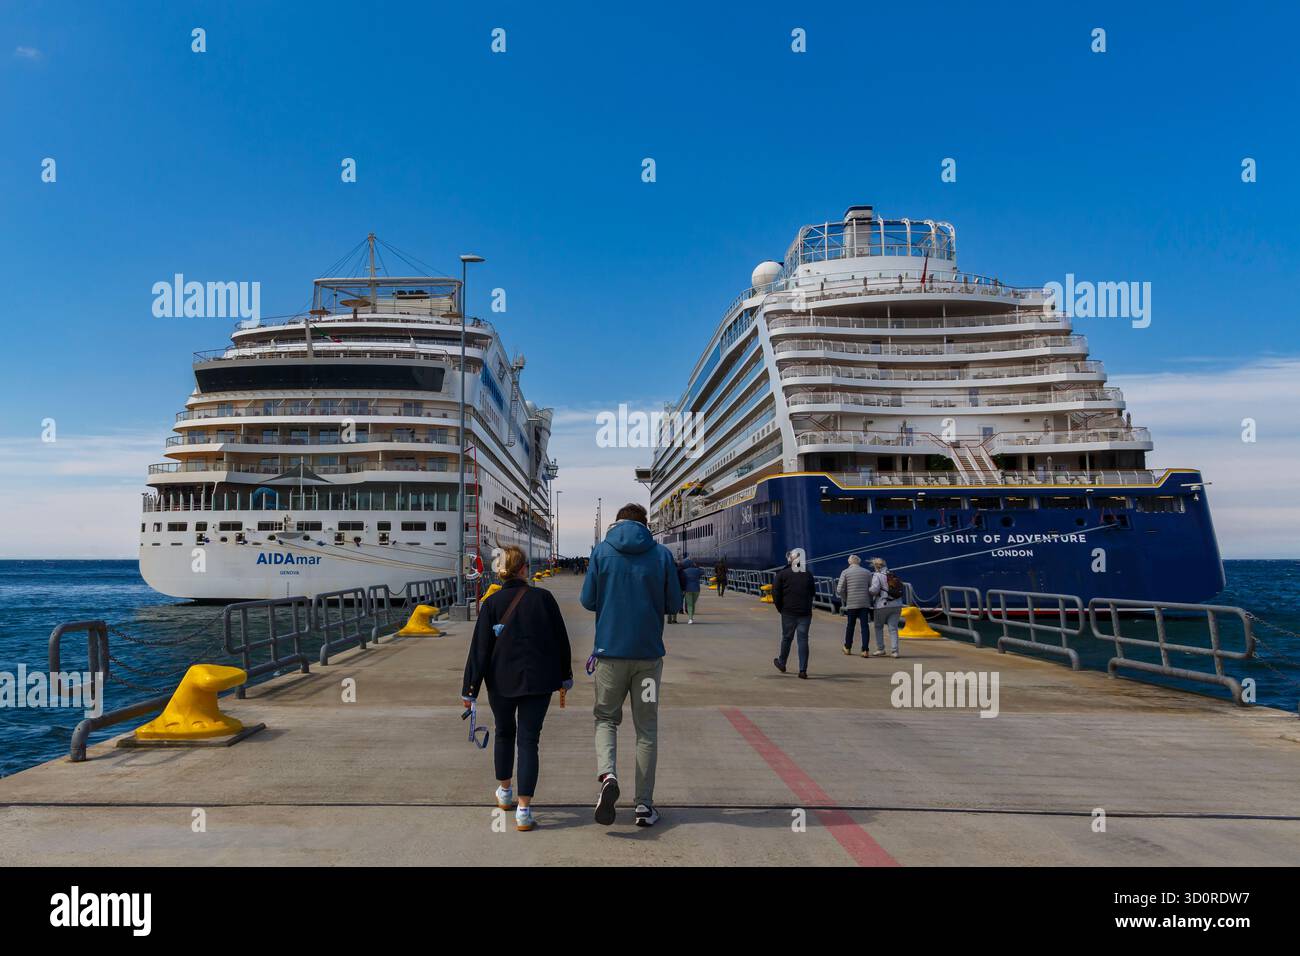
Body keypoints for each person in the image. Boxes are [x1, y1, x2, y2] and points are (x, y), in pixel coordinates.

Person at [580, 502, 681, 828]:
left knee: (606, 719)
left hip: (609, 657)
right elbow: (673, 603)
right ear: (645, 525)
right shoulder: (662, 555)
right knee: (646, 730)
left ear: (616, 522)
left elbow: (587, 600)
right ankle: (643, 806)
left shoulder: (601, 552)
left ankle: (608, 776)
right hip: (648, 660)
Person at [461, 545, 573, 832]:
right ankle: (524, 810)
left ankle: (505, 792)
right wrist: (565, 676)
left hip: (501, 681)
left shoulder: (492, 603)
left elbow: (479, 650)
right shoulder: (544, 599)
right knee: (528, 741)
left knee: (504, 734)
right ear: (524, 569)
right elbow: (561, 640)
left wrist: (470, 690)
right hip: (539, 682)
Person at [772, 549, 814, 679]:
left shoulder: (782, 574)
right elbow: (813, 592)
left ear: (789, 560)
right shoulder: (807, 574)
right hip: (805, 613)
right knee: (803, 640)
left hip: (788, 612)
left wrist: (780, 608)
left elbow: (776, 594)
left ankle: (782, 662)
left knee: (787, 638)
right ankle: (802, 670)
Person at [836, 554, 873, 656]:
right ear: (859, 562)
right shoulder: (867, 572)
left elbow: (839, 590)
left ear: (849, 562)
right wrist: (868, 598)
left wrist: (845, 598)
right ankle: (865, 650)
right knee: (864, 626)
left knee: (850, 626)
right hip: (864, 603)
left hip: (852, 603)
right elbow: (871, 589)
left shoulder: (845, 572)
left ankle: (847, 647)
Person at [868, 557, 905, 658]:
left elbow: (874, 590)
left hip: (882, 605)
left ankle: (881, 649)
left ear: (876, 566)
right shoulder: (892, 573)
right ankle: (895, 651)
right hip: (897, 604)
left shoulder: (877, 575)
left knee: (878, 626)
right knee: (893, 628)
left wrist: (868, 590)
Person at [680, 558, 704, 623]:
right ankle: (691, 617)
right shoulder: (697, 570)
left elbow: (681, 579)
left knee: (689, 604)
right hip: (696, 589)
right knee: (693, 604)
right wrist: (696, 566)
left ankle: (690, 618)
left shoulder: (684, 571)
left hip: (688, 589)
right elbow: (702, 571)